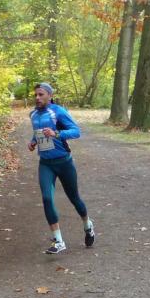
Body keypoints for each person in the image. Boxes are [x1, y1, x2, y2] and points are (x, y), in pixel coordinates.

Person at [28, 82, 95, 254]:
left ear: (49, 96)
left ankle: (87, 224)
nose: (37, 98)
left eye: (41, 94)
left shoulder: (58, 112)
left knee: (74, 198)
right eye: (35, 95)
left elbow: (76, 131)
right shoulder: (33, 114)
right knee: (47, 198)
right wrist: (33, 141)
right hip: (45, 164)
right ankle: (58, 240)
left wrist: (56, 133)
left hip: (64, 162)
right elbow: (37, 132)